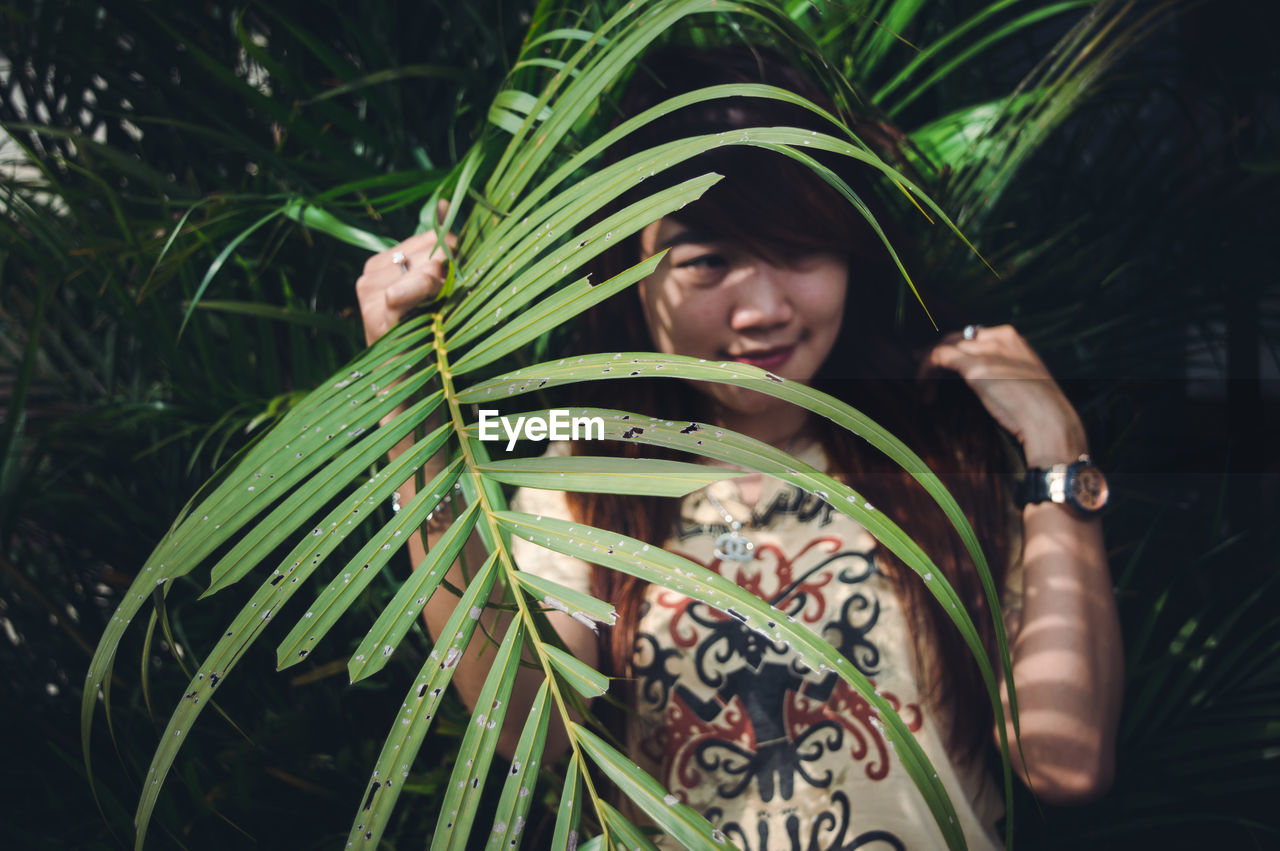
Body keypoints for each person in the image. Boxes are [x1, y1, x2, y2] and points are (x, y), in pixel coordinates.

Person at [355, 45, 1122, 851]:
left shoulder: (940, 447)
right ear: (636, 272)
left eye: (797, 251)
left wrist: (1058, 453)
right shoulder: (588, 474)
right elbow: (529, 722)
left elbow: (1062, 759)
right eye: (708, 261)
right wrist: (414, 415)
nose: (761, 309)